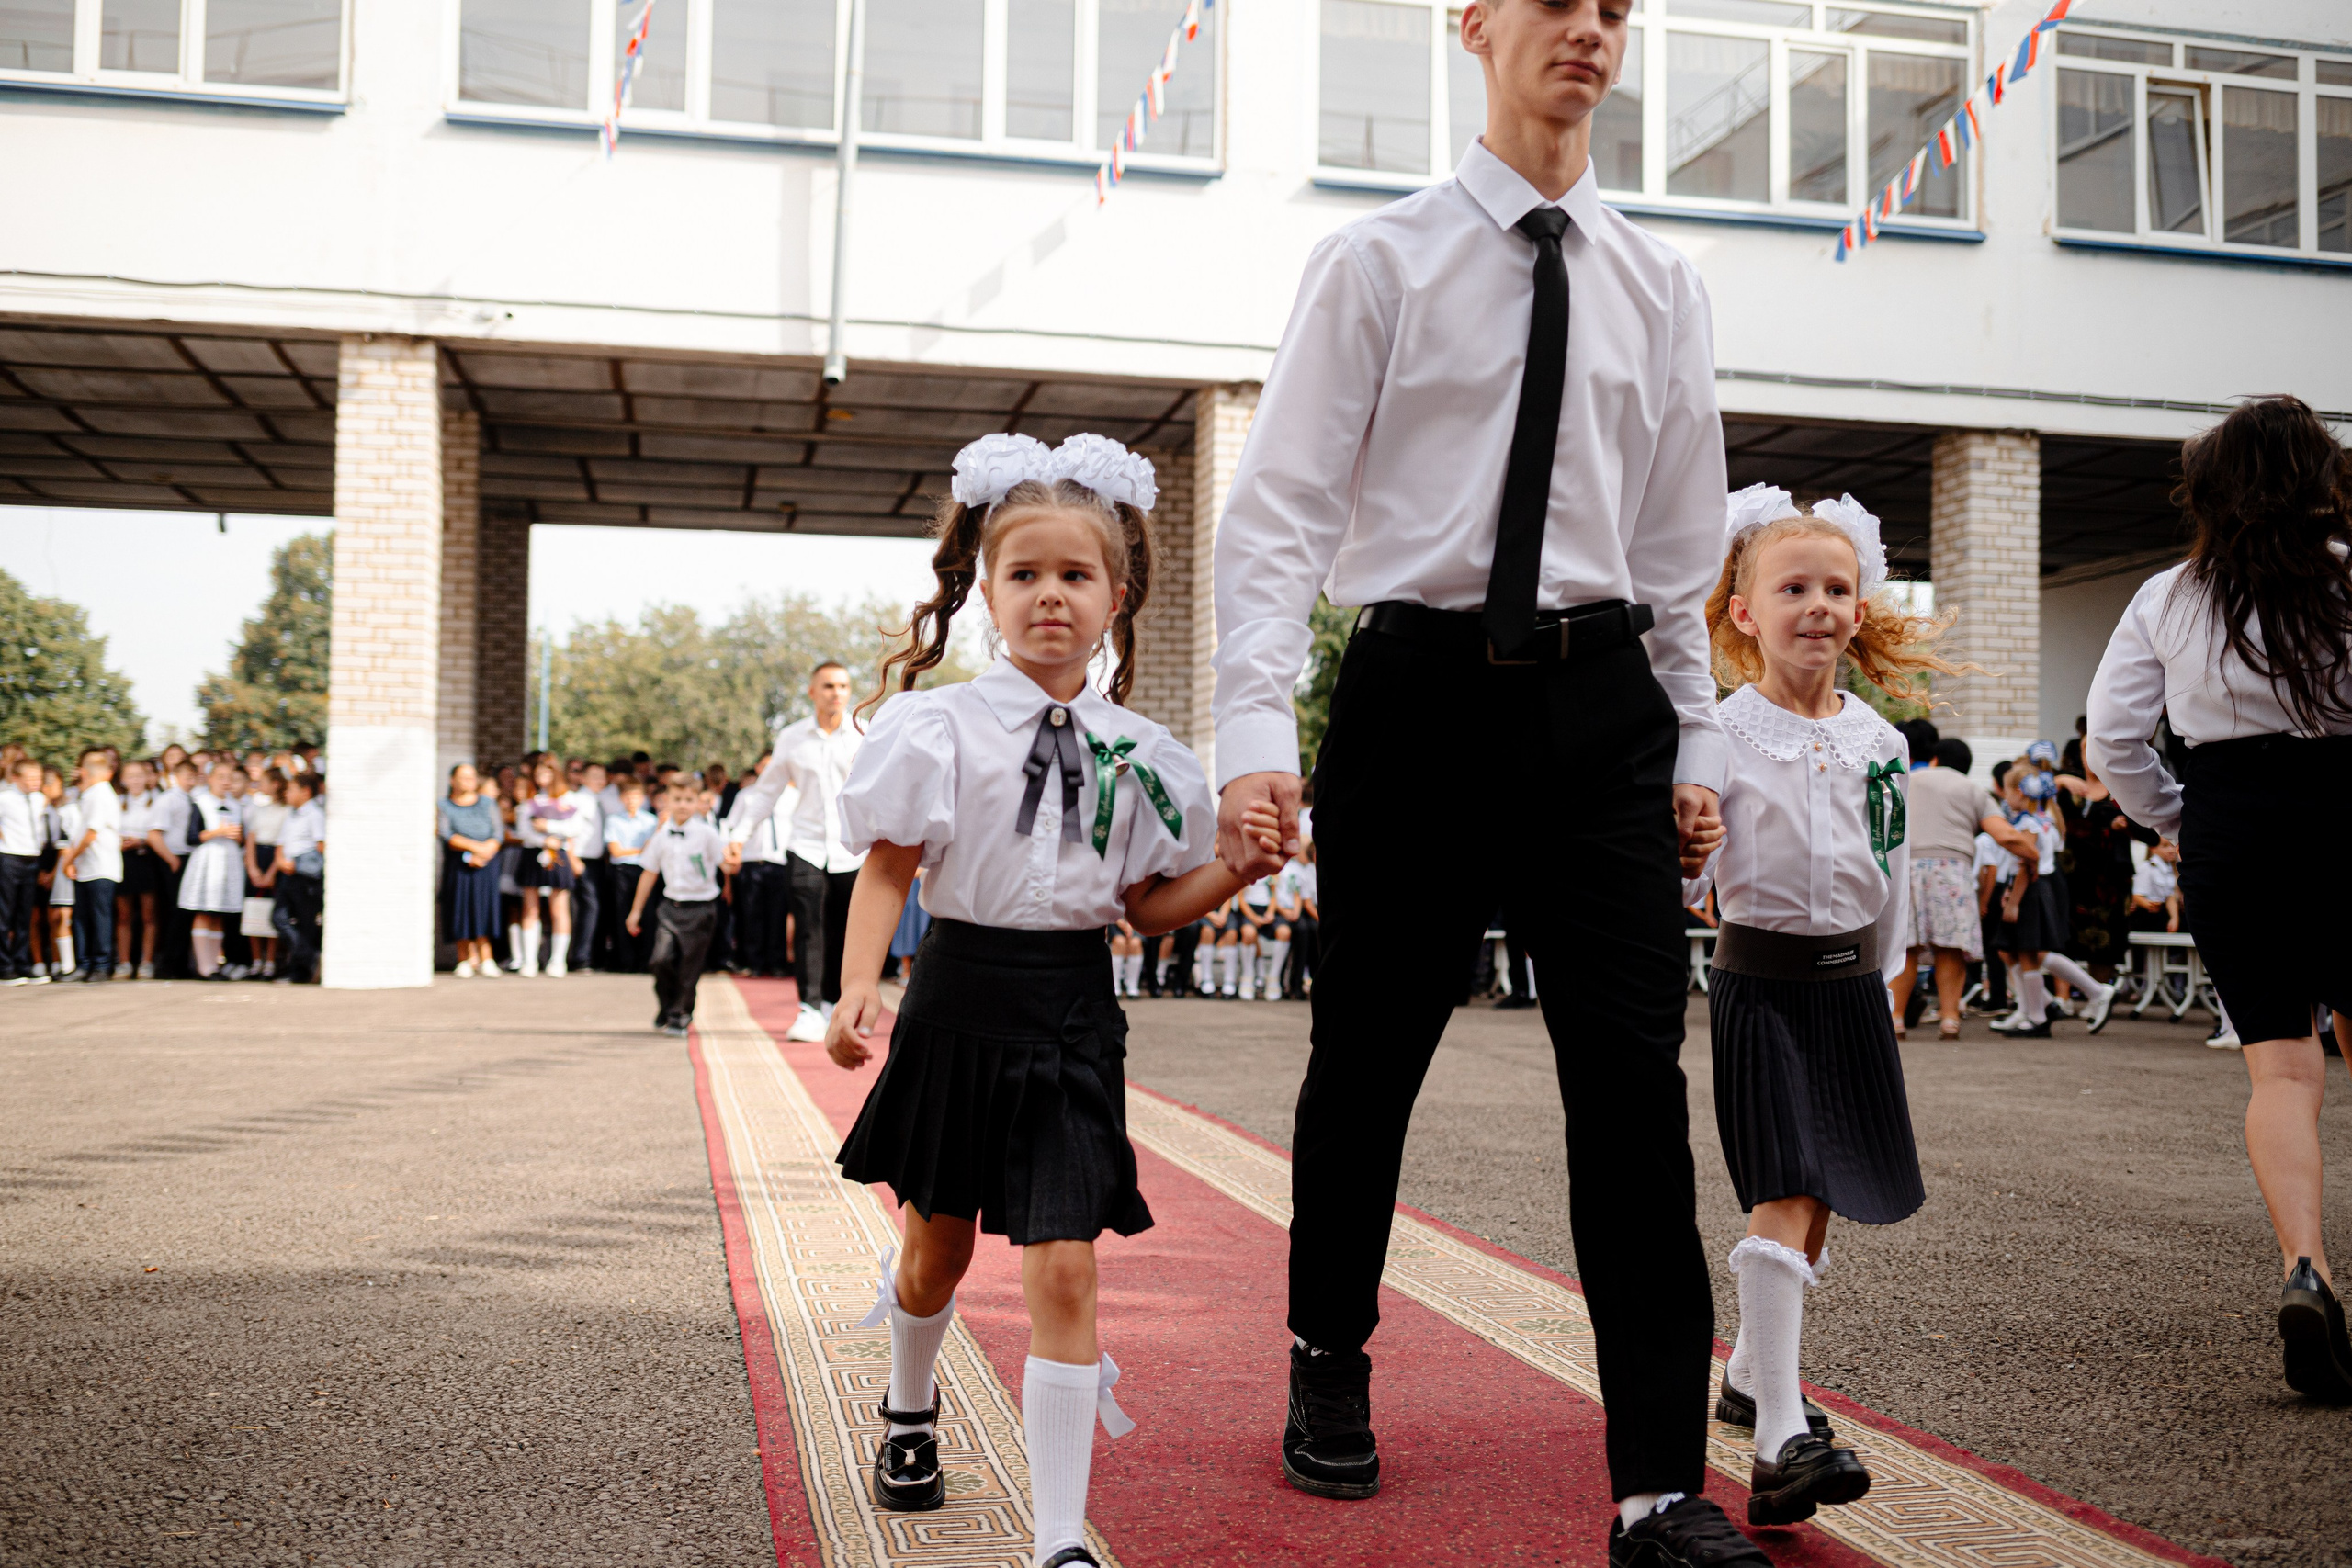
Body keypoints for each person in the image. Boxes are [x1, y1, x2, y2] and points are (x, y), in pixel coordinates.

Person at [1207, 0, 1749, 1553]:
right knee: (1369, 1057)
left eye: (1617, 8)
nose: (1589, 27)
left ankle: (1658, 1483)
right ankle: (1328, 1349)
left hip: (1604, 713)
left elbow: (1672, 552)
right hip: (1418, 694)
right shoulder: (1380, 263)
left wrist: (1694, 743)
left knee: (1635, 1090)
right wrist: (1257, 742)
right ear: (1474, 23)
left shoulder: (1660, 283)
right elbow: (1281, 514)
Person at [818, 432, 1282, 1568]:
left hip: (1073, 1013)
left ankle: (1059, 1538)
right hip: (958, 1005)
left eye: (1076, 576)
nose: (1049, 597)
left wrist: (1238, 868)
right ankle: (911, 1408)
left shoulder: (1145, 752)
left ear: (1116, 597)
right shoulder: (938, 726)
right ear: (985, 590)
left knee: (1065, 1263)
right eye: (1024, 574)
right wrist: (857, 987)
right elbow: (886, 863)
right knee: (938, 1253)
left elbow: (1147, 907)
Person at [1685, 489, 1953, 1523]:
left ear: (1858, 606)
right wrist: (1686, 852)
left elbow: (1883, 876)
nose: (1817, 605)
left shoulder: (1881, 743)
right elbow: (1680, 881)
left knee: (1829, 1183)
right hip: (1759, 982)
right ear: (1744, 611)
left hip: (1849, 992)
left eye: (1835, 588)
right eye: (1791, 587)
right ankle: (1781, 1436)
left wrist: (1885, 991)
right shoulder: (1715, 733)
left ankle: (1752, 1377)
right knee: (1785, 1178)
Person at [2086, 395, 2352, 1400]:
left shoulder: (2169, 594)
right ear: (2320, 478)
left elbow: (2111, 742)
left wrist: (2178, 819)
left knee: (2281, 1072)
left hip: (2233, 822)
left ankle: (2306, 1269)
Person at [729, 661, 865, 1043]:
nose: (835, 693)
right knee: (808, 926)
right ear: (811, 692)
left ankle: (832, 1004)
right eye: (827, 686)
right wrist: (740, 835)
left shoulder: (863, 735)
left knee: (843, 930)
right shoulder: (792, 737)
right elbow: (766, 792)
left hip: (851, 850)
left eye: (842, 686)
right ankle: (808, 1008)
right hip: (804, 845)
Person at [1893, 738, 2038, 1040]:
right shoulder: (1971, 789)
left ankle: (1896, 1019)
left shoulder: (1909, 779)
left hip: (1907, 869)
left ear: (1934, 759)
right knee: (1951, 948)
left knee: (1907, 948)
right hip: (1952, 871)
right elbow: (2005, 836)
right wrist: (2033, 856)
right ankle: (1949, 1019)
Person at [626, 782, 729, 1036]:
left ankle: (680, 1015)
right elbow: (649, 873)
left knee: (689, 968)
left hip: (701, 908)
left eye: (688, 799)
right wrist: (636, 911)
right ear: (667, 802)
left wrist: (734, 863)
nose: (683, 805)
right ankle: (667, 1005)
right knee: (660, 960)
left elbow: (725, 864)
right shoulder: (660, 836)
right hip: (670, 908)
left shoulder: (707, 834)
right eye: (678, 799)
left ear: (697, 803)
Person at [176, 760, 246, 980]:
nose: (226, 782)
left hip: (229, 860)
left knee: (220, 913)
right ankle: (204, 966)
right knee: (204, 911)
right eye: (221, 777)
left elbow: (241, 838)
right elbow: (191, 837)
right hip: (208, 859)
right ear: (210, 779)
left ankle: (215, 964)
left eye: (230, 778)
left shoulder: (236, 805)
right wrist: (217, 832)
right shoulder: (201, 802)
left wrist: (237, 836)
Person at [728, 749, 791, 978]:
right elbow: (732, 825)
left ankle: (776, 962)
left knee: (777, 915)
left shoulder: (792, 795)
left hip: (780, 862)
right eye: (764, 766)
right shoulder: (746, 796)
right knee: (752, 913)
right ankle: (753, 962)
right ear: (757, 768)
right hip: (752, 861)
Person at [439, 763, 504, 977]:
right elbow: (447, 834)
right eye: (464, 777)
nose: (469, 781)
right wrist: (475, 849)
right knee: (460, 907)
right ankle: (464, 958)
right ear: (453, 780)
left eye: (472, 777)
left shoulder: (487, 803)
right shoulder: (444, 805)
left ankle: (487, 958)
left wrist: (486, 851)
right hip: (459, 865)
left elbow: (498, 833)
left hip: (487, 865)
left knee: (485, 907)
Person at [65, 748, 123, 983]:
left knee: (99, 916)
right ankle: (84, 963)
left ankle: (101, 964)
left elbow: (91, 833)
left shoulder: (100, 793)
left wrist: (69, 858)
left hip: (101, 865)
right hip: (87, 865)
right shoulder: (88, 794)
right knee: (81, 916)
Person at [271, 773, 324, 984]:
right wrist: (281, 861)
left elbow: (321, 846)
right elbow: (281, 843)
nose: (287, 793)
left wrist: (303, 864)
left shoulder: (315, 815)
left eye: (291, 789)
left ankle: (300, 972)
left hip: (305, 877)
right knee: (279, 918)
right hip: (288, 873)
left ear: (306, 792)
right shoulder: (291, 814)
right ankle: (310, 958)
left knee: (305, 923)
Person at [604, 774, 660, 973]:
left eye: (636, 796)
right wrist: (640, 849)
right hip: (622, 871)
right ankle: (624, 961)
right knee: (621, 914)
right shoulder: (613, 821)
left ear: (642, 798)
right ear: (621, 798)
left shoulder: (651, 821)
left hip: (645, 870)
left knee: (647, 915)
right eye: (627, 797)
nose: (631, 801)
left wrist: (638, 850)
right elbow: (616, 852)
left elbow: (653, 850)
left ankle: (645, 960)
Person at [0, 755, 49, 984]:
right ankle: (4, 965)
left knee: (25, 914)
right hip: (9, 857)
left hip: (32, 857)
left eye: (38, 778)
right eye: (30, 778)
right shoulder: (5, 798)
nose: (35, 782)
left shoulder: (39, 799)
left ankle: (22, 962)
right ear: (16, 777)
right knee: (5, 913)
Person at [240, 767, 289, 980]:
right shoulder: (259, 809)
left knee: (269, 910)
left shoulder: (287, 811)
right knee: (252, 909)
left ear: (276, 784)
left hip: (273, 860)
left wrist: (271, 872)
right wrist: (252, 867)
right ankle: (256, 961)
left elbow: (283, 842)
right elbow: (251, 838)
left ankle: (269, 961)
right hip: (258, 857)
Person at [568, 761, 607, 975]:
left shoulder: (598, 800)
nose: (599, 781)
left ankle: (592, 954)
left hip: (597, 860)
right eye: (594, 777)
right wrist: (573, 858)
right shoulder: (577, 800)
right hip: (581, 858)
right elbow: (570, 830)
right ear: (583, 778)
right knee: (588, 907)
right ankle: (581, 957)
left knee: (593, 907)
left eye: (602, 777)